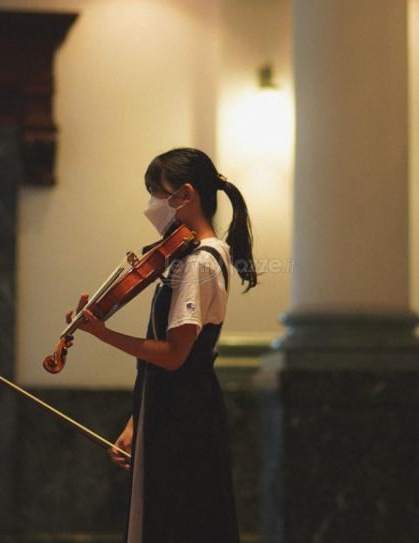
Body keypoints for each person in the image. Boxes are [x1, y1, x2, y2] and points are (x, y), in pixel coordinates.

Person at [66, 148, 257, 543]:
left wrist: (101, 332)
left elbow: (174, 356)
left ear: (185, 195)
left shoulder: (199, 263)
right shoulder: (187, 258)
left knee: (176, 524)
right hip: (171, 406)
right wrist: (138, 420)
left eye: (156, 192)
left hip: (183, 415)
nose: (152, 204)